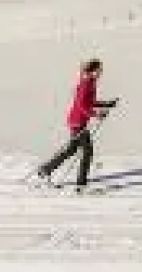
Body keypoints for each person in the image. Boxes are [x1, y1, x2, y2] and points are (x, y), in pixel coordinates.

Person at [35, 58, 117, 190]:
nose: (101, 72)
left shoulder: (90, 82)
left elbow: (90, 102)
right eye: (99, 69)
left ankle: (45, 170)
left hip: (78, 120)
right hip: (78, 121)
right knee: (87, 151)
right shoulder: (86, 84)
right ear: (93, 70)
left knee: (72, 149)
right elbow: (81, 105)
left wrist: (107, 104)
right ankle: (81, 183)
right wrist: (96, 114)